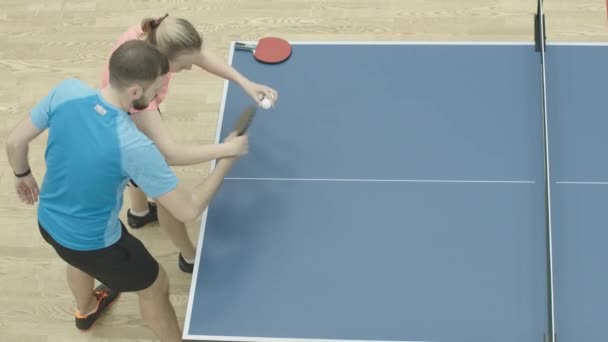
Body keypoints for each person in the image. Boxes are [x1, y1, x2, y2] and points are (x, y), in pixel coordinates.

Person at [6, 39, 247, 341]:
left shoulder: (67, 91)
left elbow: (15, 143)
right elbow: (187, 209)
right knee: (156, 285)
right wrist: (226, 160)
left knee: (73, 258)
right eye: (156, 89)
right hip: (95, 242)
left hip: (49, 223)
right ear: (135, 91)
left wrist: (22, 174)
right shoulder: (132, 146)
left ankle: (86, 309)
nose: (159, 94)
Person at [100, 14, 276, 273]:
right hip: (123, 127)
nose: (190, 69)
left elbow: (199, 55)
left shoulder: (155, 35)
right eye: (182, 66)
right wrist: (228, 150)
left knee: (139, 177)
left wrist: (244, 82)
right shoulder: (141, 98)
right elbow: (171, 154)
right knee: (168, 201)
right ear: (162, 61)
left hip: (121, 113)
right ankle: (189, 257)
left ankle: (138, 213)